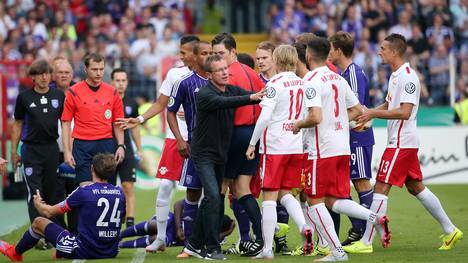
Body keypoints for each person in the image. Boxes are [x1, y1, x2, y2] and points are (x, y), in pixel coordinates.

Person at [345, 33, 463, 253]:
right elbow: (390, 104)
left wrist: (373, 113)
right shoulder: (396, 75)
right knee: (416, 187)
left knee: (380, 187)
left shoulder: (409, 77)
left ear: (394, 52)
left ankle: (367, 243)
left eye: (382, 48)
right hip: (400, 142)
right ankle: (450, 229)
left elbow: (405, 112)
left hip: (401, 143)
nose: (379, 51)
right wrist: (369, 113)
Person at [292, 36, 390, 262]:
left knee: (314, 201)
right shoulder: (338, 79)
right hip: (342, 148)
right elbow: (358, 109)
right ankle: (375, 217)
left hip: (321, 151)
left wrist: (298, 124)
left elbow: (315, 117)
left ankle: (337, 253)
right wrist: (339, 123)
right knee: (332, 200)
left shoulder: (311, 81)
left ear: (307, 56)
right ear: (327, 54)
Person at [117, 35, 200, 253]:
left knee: (201, 192)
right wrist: (141, 119)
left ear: (196, 53)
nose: (179, 56)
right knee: (165, 187)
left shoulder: (209, 75)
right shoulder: (174, 74)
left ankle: (200, 238)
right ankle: (161, 237)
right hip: (176, 139)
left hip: (201, 141)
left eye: (183, 52)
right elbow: (161, 103)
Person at [183, 54, 264, 260]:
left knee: (213, 198)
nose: (225, 72)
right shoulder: (205, 94)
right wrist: (251, 98)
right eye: (219, 70)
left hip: (221, 154)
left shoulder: (230, 89)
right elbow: (226, 102)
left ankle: (193, 244)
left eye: (226, 68)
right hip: (204, 154)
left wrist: (267, 94)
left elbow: (253, 94)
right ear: (209, 75)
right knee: (212, 196)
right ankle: (212, 248)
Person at [246, 45, 312, 259]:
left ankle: (266, 250)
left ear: (276, 59)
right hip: (295, 145)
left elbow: (264, 117)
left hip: (275, 146)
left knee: (269, 198)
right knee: (285, 193)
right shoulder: (303, 83)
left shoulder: (274, 83)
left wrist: (252, 143)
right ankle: (305, 227)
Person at [0, 153, 126, 261]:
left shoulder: (84, 191)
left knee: (39, 222)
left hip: (85, 251)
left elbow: (49, 213)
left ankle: (15, 253)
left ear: (92, 168)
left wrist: (38, 205)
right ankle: (61, 251)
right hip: (111, 251)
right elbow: (122, 219)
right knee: (73, 231)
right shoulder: (120, 192)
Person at [212, 32, 265, 256]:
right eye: (215, 54)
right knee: (242, 187)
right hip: (254, 135)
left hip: (235, 135)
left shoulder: (228, 75)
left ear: (233, 52)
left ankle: (212, 241)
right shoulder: (254, 75)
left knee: (221, 187)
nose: (218, 59)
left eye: (221, 53)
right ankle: (261, 237)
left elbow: (224, 108)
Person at [328, 31, 376, 245]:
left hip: (358, 136)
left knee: (361, 182)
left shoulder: (353, 73)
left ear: (338, 50)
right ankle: (359, 229)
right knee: (345, 185)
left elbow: (356, 109)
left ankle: (366, 232)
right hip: (349, 136)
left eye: (330, 48)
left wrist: (334, 123)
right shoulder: (345, 73)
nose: (328, 52)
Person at [165, 40, 212, 252]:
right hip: (195, 146)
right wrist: (180, 140)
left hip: (218, 148)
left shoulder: (221, 79)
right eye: (204, 53)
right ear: (195, 57)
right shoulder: (185, 82)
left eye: (211, 52)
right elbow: (170, 111)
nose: (208, 56)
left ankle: (211, 242)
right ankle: (189, 244)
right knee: (193, 193)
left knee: (216, 195)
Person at [10, 59, 65, 227]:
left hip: (51, 149)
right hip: (31, 150)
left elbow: (65, 123)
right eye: (40, 74)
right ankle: (37, 233)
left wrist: (69, 148)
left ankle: (52, 232)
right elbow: (17, 124)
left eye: (47, 74)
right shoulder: (24, 97)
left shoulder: (58, 95)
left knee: (51, 191)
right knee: (35, 192)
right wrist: (14, 152)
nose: (44, 77)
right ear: (32, 77)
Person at [61, 53, 125, 186]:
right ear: (85, 69)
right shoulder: (73, 92)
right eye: (94, 69)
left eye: (101, 69)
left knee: (107, 188)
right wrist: (67, 151)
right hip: (82, 146)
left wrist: (120, 145)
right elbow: (66, 122)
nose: (98, 73)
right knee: (86, 188)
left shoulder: (112, 92)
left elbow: (118, 122)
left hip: (106, 145)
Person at [118, 199, 236, 251]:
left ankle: (121, 245)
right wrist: (179, 228)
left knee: (158, 240)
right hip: (171, 221)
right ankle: (120, 235)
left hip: (172, 237)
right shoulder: (203, 210)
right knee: (155, 226)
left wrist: (228, 232)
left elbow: (214, 240)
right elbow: (178, 204)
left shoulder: (214, 236)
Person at [111, 68, 142, 228]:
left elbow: (135, 127)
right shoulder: (106, 101)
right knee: (108, 188)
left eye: (123, 80)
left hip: (128, 150)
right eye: (117, 80)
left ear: (127, 82)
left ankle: (130, 223)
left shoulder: (131, 103)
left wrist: (140, 148)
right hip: (108, 149)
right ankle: (110, 220)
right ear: (112, 81)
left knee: (128, 186)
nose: (121, 84)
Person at [50, 56, 77, 233]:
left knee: (75, 194)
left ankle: (76, 231)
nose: (64, 75)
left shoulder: (79, 92)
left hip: (76, 153)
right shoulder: (46, 93)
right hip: (53, 152)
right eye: (60, 72)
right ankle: (60, 234)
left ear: (72, 74)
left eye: (67, 72)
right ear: (53, 75)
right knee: (56, 195)